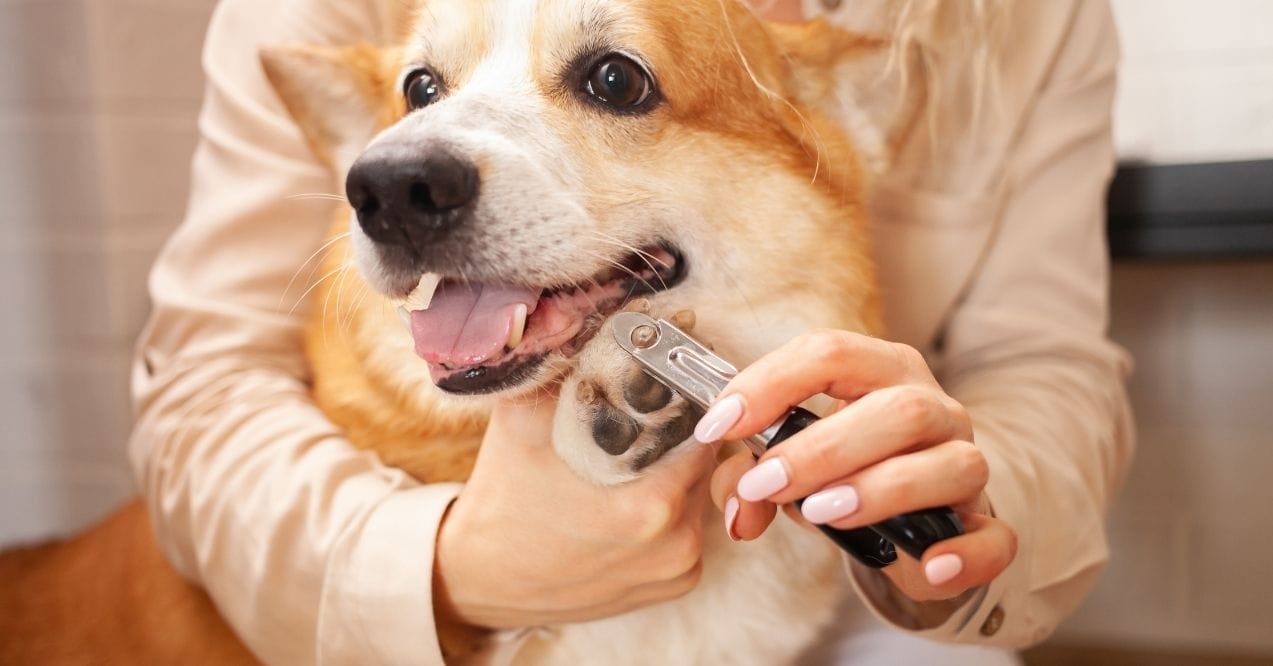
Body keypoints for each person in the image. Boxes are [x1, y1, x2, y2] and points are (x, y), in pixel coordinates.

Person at [129, 0, 1133, 663]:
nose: (406, 162)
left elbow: (1039, 362)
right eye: (423, 91)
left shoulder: (1030, 22)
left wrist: (959, 512)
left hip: (816, 562)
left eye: (613, 81)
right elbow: (200, 389)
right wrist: (450, 566)